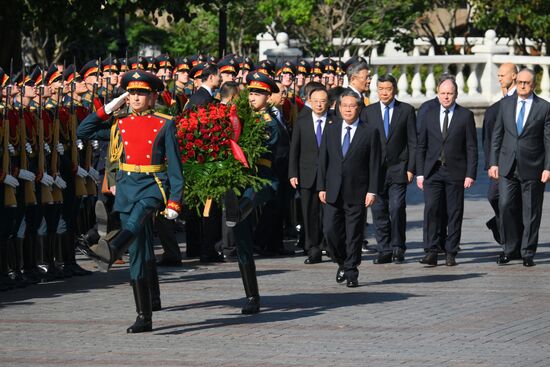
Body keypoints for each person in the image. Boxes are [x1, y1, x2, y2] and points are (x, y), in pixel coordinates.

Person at [77, 70, 184, 333]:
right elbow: (84, 129)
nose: (136, 97)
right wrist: (110, 106)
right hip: (126, 188)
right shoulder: (119, 122)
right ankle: (143, 315)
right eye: (132, 92)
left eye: (142, 93)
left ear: (153, 96)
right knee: (138, 251)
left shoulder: (165, 123)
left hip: (152, 186)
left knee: (136, 221)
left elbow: (176, 168)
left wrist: (174, 201)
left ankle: (112, 249)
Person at [223, 71, 288, 313]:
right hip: (240, 180)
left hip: (262, 179)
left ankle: (237, 210)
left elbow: (267, 154)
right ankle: (252, 296)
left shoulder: (270, 123)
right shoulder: (240, 117)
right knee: (242, 241)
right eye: (251, 92)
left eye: (259, 93)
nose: (253, 97)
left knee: (244, 205)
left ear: (268, 97)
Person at [317, 89, 381, 287]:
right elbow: (323, 161)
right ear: (338, 107)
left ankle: (352, 271)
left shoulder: (370, 132)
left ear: (359, 108)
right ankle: (342, 261)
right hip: (333, 191)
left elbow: (374, 164)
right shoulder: (331, 129)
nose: (348, 110)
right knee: (330, 231)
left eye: (352, 106)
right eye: (344, 106)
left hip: (357, 191)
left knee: (354, 234)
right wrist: (321, 186)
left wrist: (372, 190)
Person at [489, 68, 550, 267]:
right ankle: (509, 248)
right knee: (505, 205)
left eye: (527, 83)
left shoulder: (544, 108)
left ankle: (527, 252)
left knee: (531, 211)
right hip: (507, 166)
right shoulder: (506, 104)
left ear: (533, 85)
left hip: (533, 167)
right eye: (520, 82)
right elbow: (497, 135)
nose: (522, 85)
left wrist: (547, 167)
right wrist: (493, 162)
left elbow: (548, 141)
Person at [416, 78, 478, 266]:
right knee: (432, 209)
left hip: (456, 172)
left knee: (454, 212)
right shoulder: (429, 114)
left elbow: (471, 148)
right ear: (437, 93)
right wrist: (420, 173)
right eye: (443, 93)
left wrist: (470, 174)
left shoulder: (465, 116)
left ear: (456, 94)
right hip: (432, 171)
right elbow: (421, 146)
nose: (446, 96)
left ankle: (451, 251)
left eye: (449, 93)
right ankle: (431, 251)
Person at [364, 74, 417, 264]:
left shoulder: (406, 110)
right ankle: (384, 249)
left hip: (398, 169)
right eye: (380, 89)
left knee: (396, 208)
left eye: (387, 89)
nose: (384, 93)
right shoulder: (368, 112)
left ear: (394, 90)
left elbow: (413, 141)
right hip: (375, 171)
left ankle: (398, 247)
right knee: (378, 211)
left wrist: (411, 168)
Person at [289, 84, 333, 264]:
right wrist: (293, 173)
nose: (319, 105)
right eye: (316, 101)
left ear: (328, 103)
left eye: (323, 101)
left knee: (329, 214)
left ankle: (330, 246)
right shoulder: (302, 121)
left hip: (329, 175)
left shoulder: (335, 121)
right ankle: (312, 249)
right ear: (310, 102)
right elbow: (295, 149)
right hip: (307, 174)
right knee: (309, 213)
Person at [482, 63, 517, 245]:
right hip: (500, 163)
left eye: (503, 75)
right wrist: (490, 164)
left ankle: (508, 234)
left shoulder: (522, 102)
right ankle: (499, 224)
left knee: (511, 201)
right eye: (498, 75)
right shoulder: (495, 109)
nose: (500, 78)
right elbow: (489, 140)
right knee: (494, 196)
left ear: (514, 76)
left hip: (519, 162)